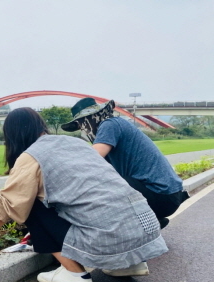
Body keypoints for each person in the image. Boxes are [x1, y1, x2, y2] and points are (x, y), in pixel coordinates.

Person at [0, 107, 168, 282]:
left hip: (109, 236)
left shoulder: (32, 156)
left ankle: (75, 275)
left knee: (30, 205)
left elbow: (7, 209)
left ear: (12, 135)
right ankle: (128, 264)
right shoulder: (76, 143)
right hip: (145, 229)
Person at [61, 98, 189, 229]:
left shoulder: (109, 124)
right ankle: (148, 222)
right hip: (166, 195)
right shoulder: (114, 130)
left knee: (103, 185)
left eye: (82, 124)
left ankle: (137, 225)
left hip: (161, 195)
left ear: (91, 118)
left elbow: (91, 160)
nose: (83, 129)